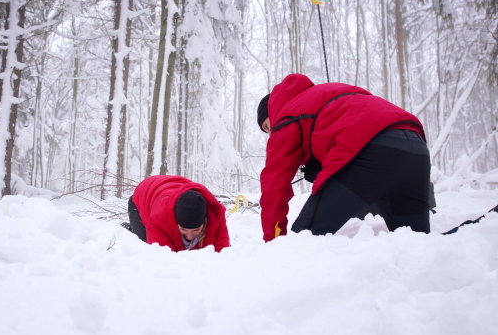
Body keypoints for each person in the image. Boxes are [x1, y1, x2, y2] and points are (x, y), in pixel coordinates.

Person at [257, 73, 430, 242]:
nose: (271, 133)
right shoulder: (326, 93)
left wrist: (274, 243)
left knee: (304, 240)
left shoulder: (286, 116)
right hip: (416, 148)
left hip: (370, 152)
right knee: (415, 243)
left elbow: (274, 183)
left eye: (267, 126)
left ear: (272, 110)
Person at [127, 175, 230, 252]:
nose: (189, 236)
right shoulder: (159, 218)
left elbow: (222, 253)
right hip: (143, 195)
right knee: (142, 242)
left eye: (196, 230)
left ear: (205, 222)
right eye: (183, 229)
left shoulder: (216, 214)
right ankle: (128, 228)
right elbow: (162, 258)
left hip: (171, 188)